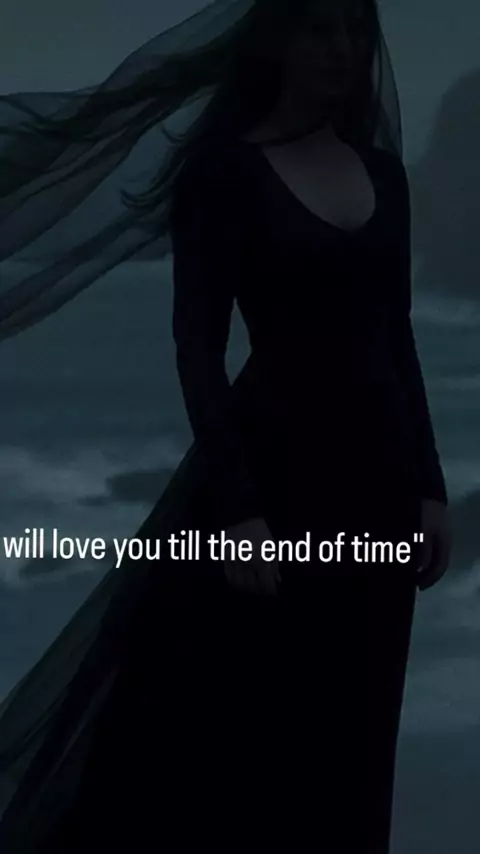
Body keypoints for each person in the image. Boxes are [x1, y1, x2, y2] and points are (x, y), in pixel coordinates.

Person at [0, 1, 452, 851]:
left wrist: (430, 487)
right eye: (319, 28)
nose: (341, 50)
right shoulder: (223, 175)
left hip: (380, 491)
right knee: (246, 736)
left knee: (356, 737)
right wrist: (240, 511)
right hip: (274, 487)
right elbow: (199, 353)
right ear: (278, 38)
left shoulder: (382, 176)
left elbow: (397, 334)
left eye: (354, 31)